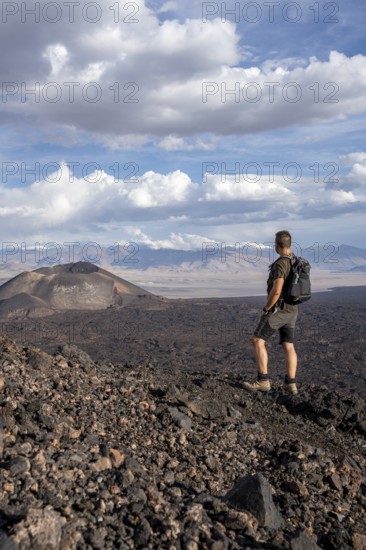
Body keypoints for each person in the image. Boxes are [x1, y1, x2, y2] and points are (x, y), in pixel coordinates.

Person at [243, 230, 299, 394]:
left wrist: (267, 308)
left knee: (257, 340)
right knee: (288, 345)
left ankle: (263, 381)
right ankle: (291, 384)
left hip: (278, 310)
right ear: (289, 244)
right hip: (292, 310)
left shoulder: (281, 263)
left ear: (277, 245)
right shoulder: (296, 261)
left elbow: (276, 291)